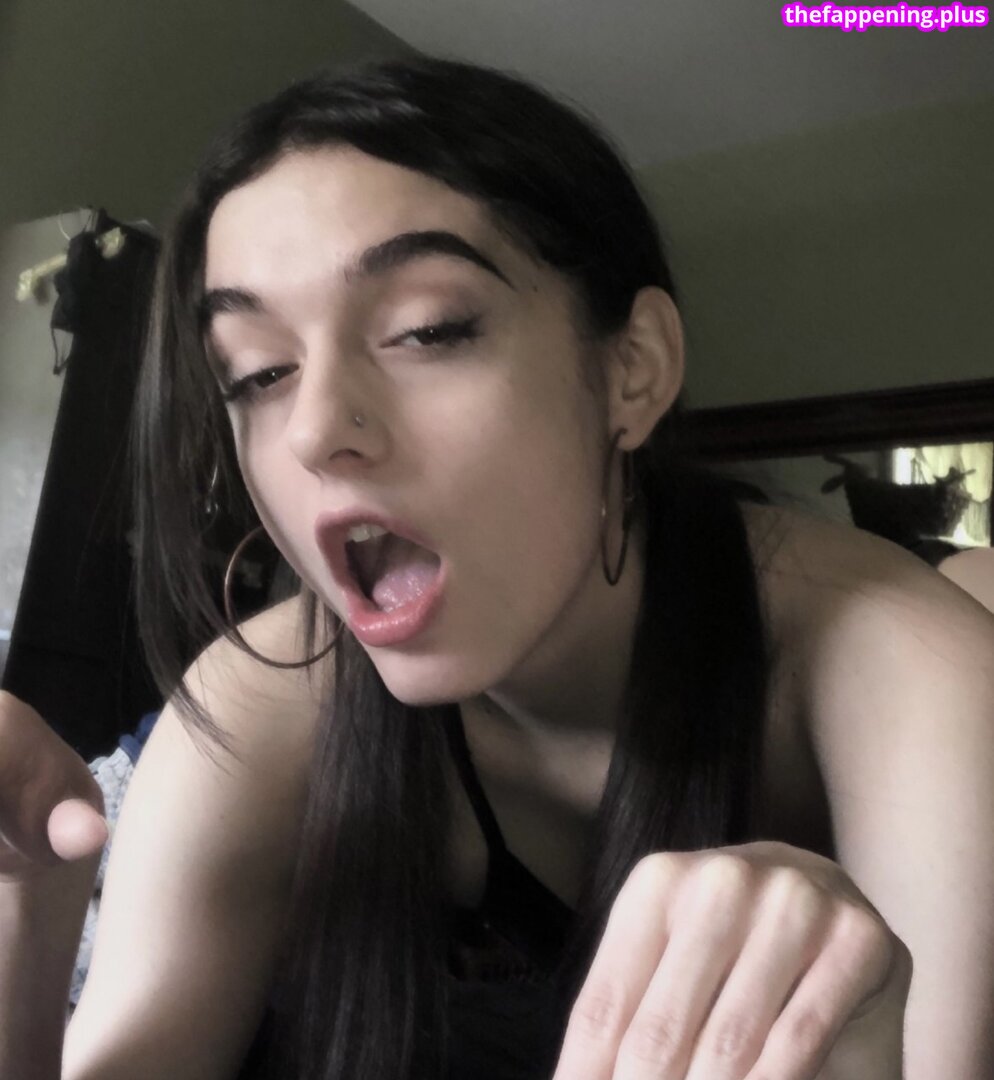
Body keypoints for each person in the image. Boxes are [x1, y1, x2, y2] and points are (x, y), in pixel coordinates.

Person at [1, 56, 992, 1080]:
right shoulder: (261, 703)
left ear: (633, 368)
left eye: (427, 329)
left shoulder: (902, 659)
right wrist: (28, 908)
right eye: (257, 374)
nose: (312, 429)